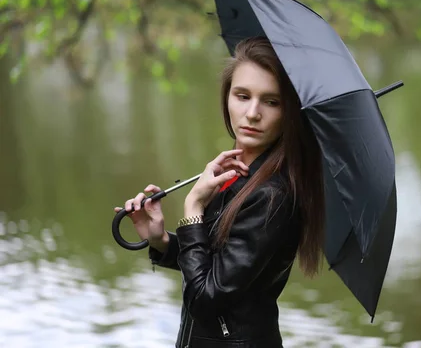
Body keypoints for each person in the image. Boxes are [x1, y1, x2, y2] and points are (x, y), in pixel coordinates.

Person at [114, 36, 325, 348]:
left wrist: (193, 208)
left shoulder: (272, 197)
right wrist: (162, 241)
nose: (252, 113)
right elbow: (217, 270)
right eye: (242, 96)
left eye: (271, 101)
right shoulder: (239, 175)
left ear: (290, 111)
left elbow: (205, 298)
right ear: (227, 98)